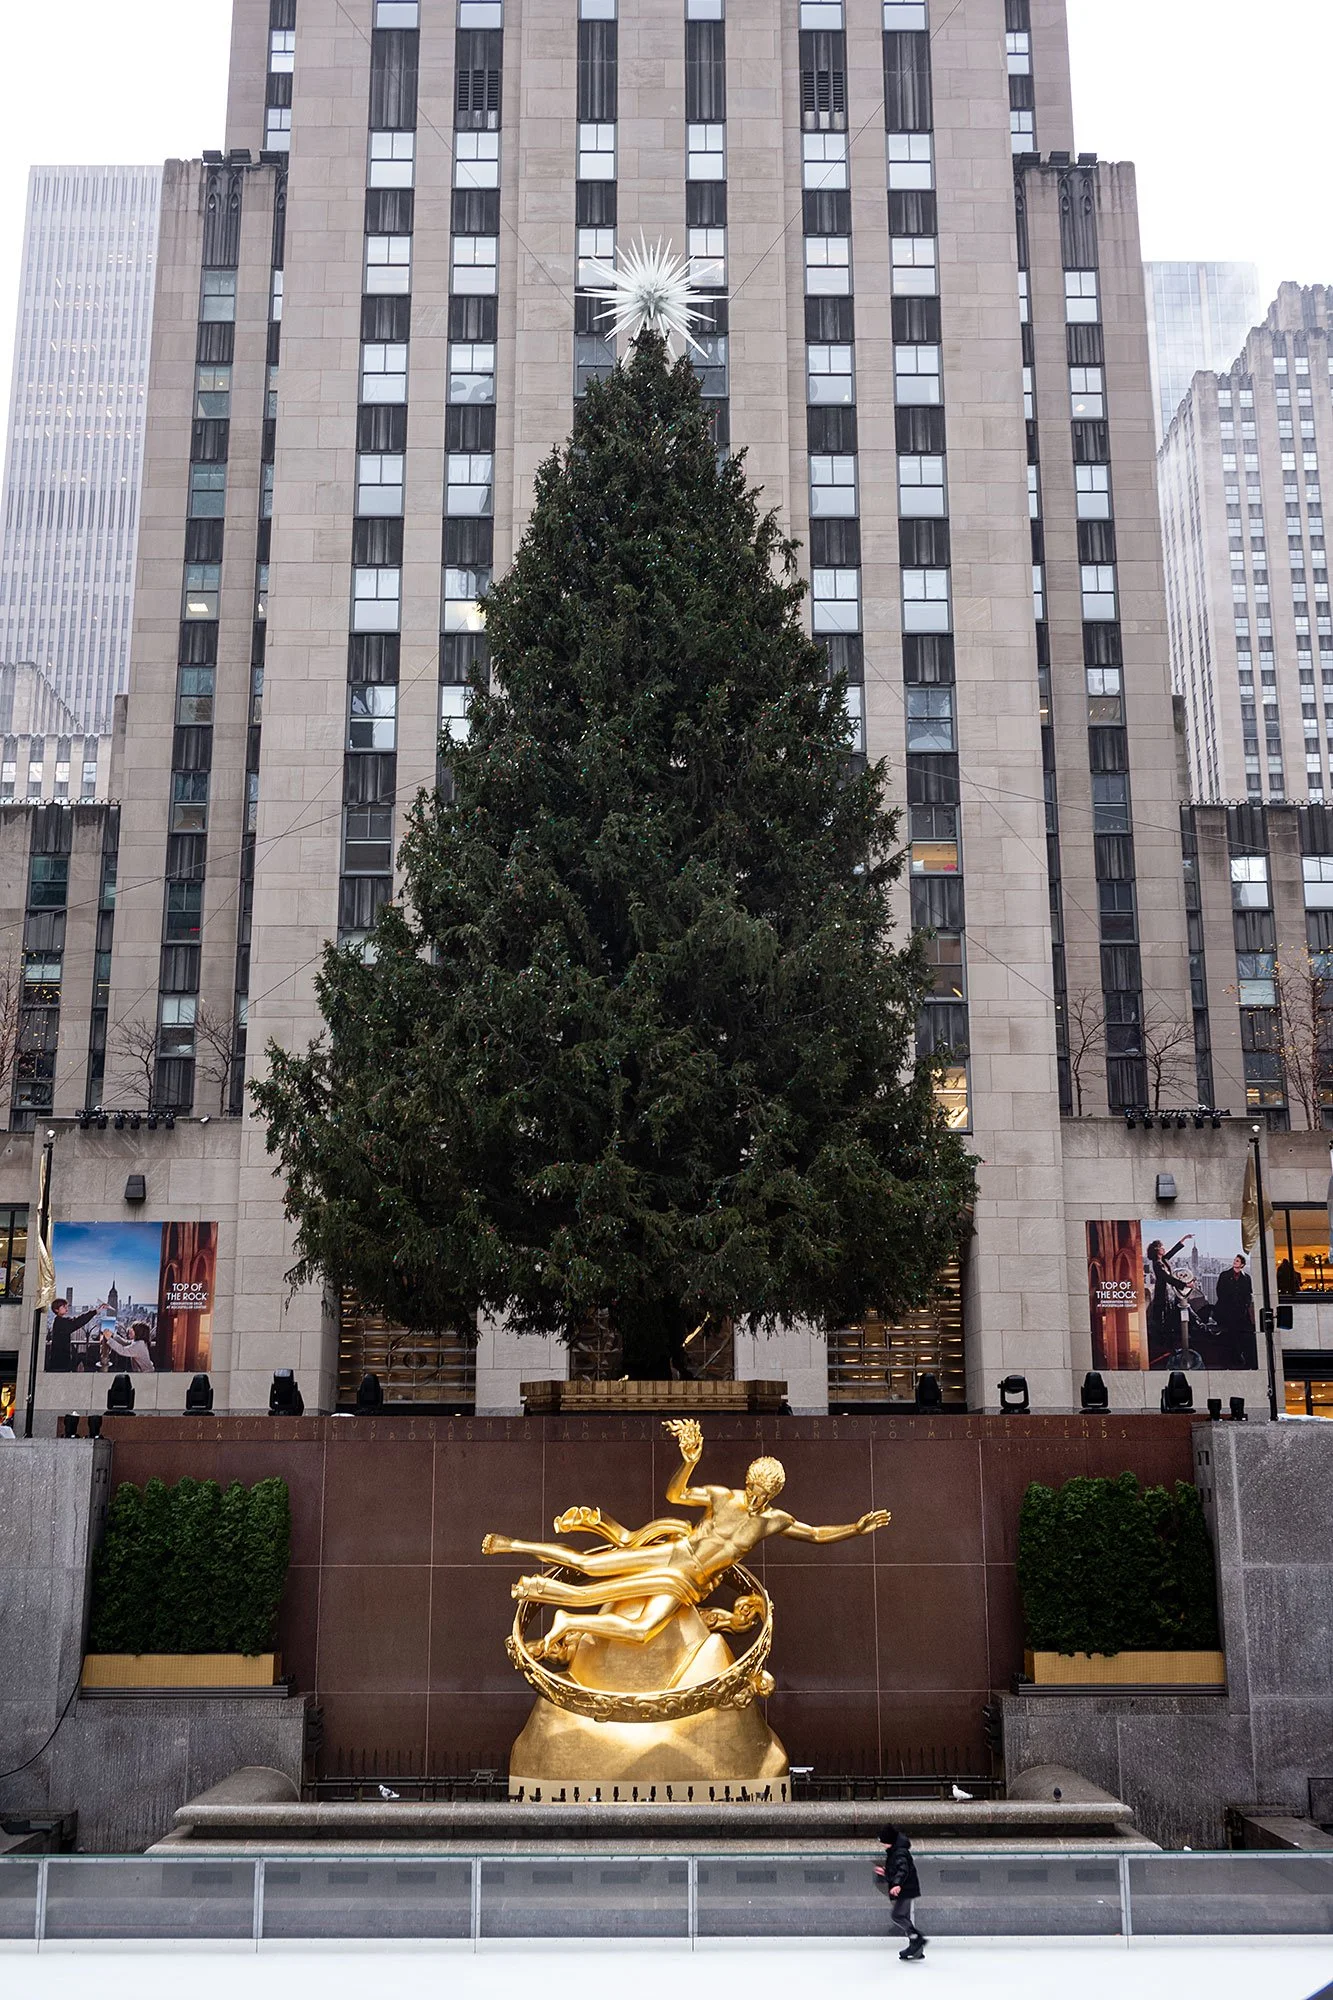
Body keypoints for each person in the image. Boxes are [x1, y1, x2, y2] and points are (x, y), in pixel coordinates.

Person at [483, 1416, 890, 1663]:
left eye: (765, 1495)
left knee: (642, 1629)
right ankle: (513, 1545)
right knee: (588, 1566)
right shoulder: (721, 1497)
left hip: (687, 1582)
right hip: (674, 1554)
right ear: (747, 1482)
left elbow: (816, 1534)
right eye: (753, 1489)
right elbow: (676, 1496)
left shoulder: (772, 1521)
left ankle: (566, 1619)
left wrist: (854, 1528)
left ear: (774, 1495)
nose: (756, 1498)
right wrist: (689, 1461)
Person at [878, 1823, 926, 1962]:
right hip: (907, 1888)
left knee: (897, 1915)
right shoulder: (897, 1850)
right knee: (903, 1916)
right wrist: (886, 1872)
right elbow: (897, 1869)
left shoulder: (899, 1852)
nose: (883, 1846)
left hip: (906, 1889)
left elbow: (902, 1869)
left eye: (884, 1843)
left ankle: (917, 1939)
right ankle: (916, 1948)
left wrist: (897, 1884)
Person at [1145, 1235, 1193, 1366]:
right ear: (1157, 1250)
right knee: (1165, 1320)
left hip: (1169, 1293)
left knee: (1169, 1319)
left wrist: (1182, 1240)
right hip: (1162, 1294)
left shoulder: (1163, 1260)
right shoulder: (1157, 1264)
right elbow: (1168, 1278)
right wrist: (1185, 1285)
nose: (1164, 1249)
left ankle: (1169, 1346)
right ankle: (1166, 1348)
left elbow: (1172, 1252)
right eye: (1161, 1247)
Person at [1214, 1253, 1257, 1368]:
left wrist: (1244, 1305)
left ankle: (1239, 1355)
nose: (1234, 1262)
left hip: (1240, 1310)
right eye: (1234, 1260)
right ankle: (1236, 1355)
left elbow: (1248, 1294)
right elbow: (1220, 1292)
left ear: (1242, 1264)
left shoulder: (1246, 1278)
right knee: (1233, 1329)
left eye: (1237, 1261)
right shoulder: (1224, 1275)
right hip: (1226, 1309)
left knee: (1241, 1331)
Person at [46, 1297, 105, 1374]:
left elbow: (76, 1321)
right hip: (60, 1361)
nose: (66, 1309)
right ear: (56, 1309)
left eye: (67, 1307)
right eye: (64, 1307)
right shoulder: (61, 1323)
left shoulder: (58, 1321)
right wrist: (95, 1311)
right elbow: (77, 1322)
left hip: (58, 1359)